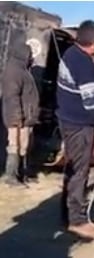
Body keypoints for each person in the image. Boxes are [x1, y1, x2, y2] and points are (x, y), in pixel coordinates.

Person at [56, 20, 94, 238]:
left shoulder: (70, 54)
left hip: (69, 120)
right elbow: (92, 103)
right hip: (80, 125)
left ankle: (66, 214)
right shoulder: (85, 65)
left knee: (72, 169)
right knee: (80, 172)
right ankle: (77, 220)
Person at [1, 43, 40, 187]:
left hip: (25, 117)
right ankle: (11, 176)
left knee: (24, 145)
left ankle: (23, 174)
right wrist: (16, 118)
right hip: (18, 118)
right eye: (29, 55)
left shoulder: (22, 70)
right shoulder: (14, 72)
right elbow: (12, 97)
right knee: (14, 145)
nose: (31, 58)